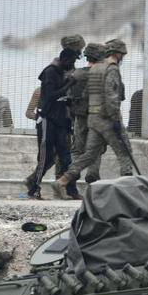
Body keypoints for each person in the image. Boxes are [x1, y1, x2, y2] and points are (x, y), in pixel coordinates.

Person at [52, 39, 132, 198]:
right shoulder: (110, 69)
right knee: (125, 151)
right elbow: (113, 96)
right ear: (117, 54)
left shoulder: (92, 71)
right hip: (107, 117)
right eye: (122, 54)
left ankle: (62, 180)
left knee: (89, 154)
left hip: (91, 118)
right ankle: (127, 190)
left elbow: (83, 95)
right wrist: (114, 118)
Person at [26, 35, 83, 200]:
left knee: (66, 156)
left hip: (60, 121)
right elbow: (50, 96)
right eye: (71, 62)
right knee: (45, 157)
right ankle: (34, 188)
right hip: (47, 119)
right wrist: (69, 84)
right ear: (65, 60)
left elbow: (65, 99)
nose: (73, 65)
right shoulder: (50, 72)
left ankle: (71, 189)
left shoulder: (64, 72)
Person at [66, 42, 105, 186]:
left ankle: (74, 172)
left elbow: (68, 98)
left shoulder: (76, 74)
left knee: (77, 149)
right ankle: (92, 174)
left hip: (80, 118)